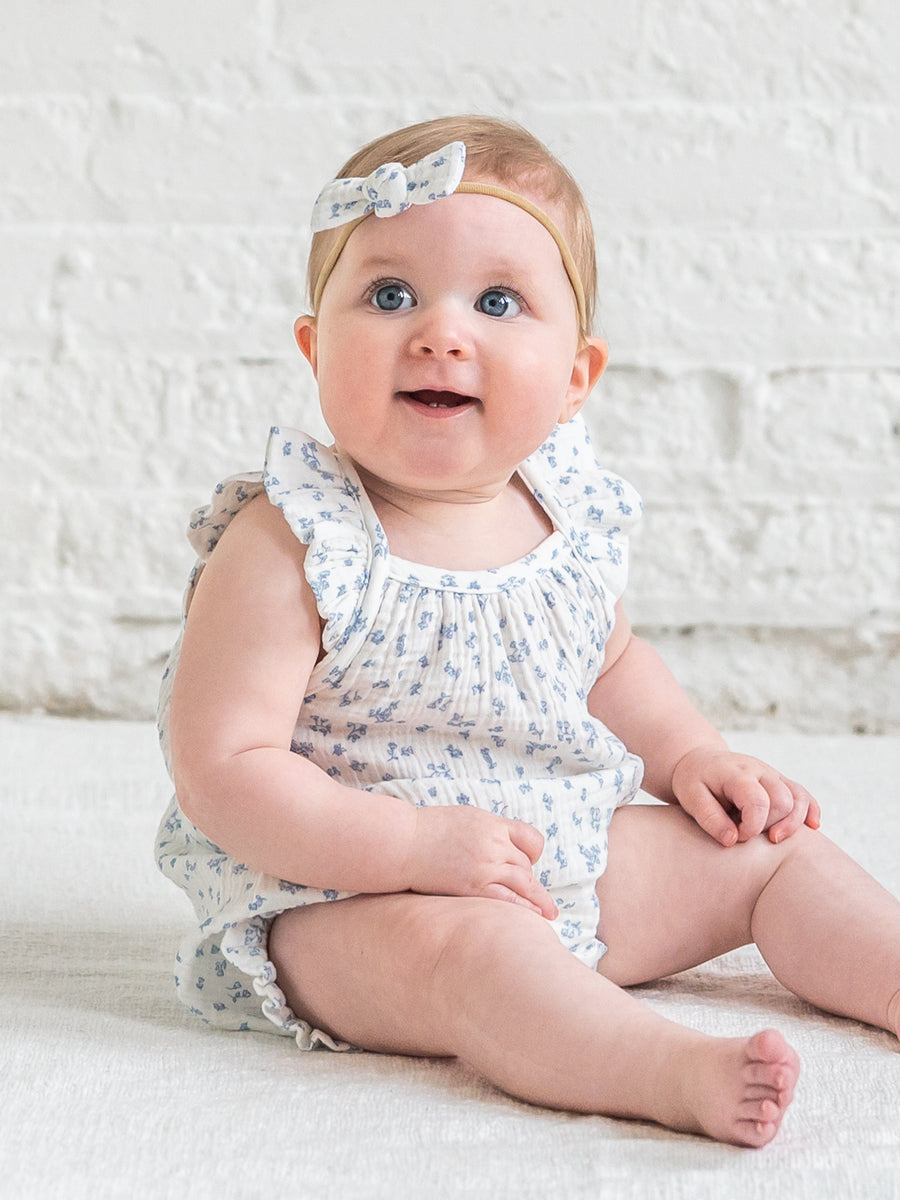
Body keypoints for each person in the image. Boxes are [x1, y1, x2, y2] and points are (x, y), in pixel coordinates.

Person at [156, 115, 900, 1148]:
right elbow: (223, 771)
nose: (441, 332)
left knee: (774, 854)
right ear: (315, 346)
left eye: (497, 302)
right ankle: (659, 1067)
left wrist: (691, 757)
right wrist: (412, 846)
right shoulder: (294, 540)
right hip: (349, 900)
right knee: (471, 955)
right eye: (388, 295)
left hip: (556, 854)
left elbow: (615, 665)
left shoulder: (568, 518)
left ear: (576, 377)